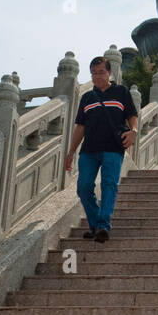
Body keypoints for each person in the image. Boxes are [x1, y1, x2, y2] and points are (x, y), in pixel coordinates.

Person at [65, 56, 138, 243]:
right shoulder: (87, 97)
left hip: (113, 149)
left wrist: (133, 132)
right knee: (83, 187)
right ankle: (96, 223)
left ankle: (103, 226)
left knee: (109, 185)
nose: (97, 77)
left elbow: (132, 116)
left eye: (101, 72)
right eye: (93, 73)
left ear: (110, 73)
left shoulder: (121, 92)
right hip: (88, 150)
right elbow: (80, 127)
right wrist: (71, 152)